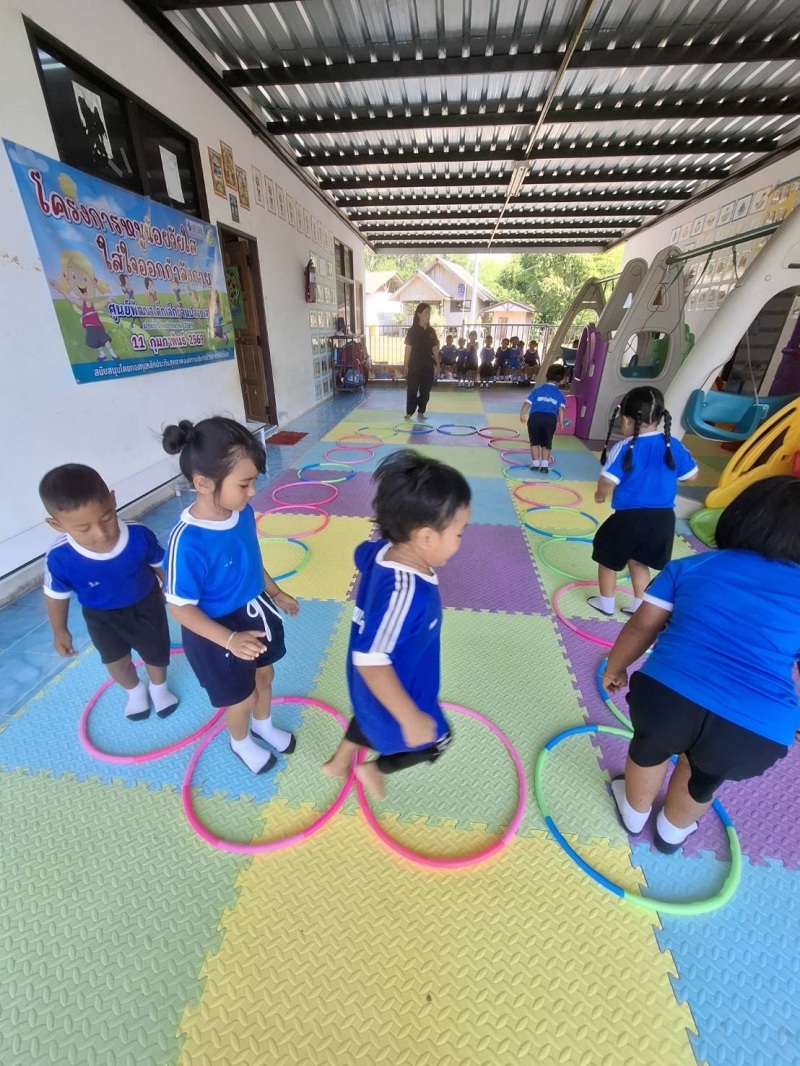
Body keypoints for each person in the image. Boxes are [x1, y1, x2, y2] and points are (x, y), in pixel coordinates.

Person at [602, 476, 800, 854]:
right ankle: (672, 832)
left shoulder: (691, 566)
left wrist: (615, 667)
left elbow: (642, 625)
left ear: (740, 517)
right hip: (756, 729)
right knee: (706, 773)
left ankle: (633, 812)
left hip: (666, 696)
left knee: (650, 747)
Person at [322, 451, 471, 799]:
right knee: (440, 738)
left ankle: (338, 762)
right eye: (459, 533)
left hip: (373, 688)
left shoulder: (382, 551)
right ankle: (373, 769)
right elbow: (372, 661)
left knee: (368, 714)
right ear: (425, 538)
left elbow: (361, 552)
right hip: (394, 691)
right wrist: (409, 717)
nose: (461, 541)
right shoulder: (407, 593)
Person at [162, 417, 300, 774]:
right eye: (244, 483)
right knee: (241, 697)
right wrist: (229, 639)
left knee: (264, 676)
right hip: (216, 631)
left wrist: (275, 591)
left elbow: (251, 560)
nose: (252, 492)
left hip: (255, 611)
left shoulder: (242, 513)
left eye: (253, 481)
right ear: (204, 483)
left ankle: (263, 726)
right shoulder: (186, 540)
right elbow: (180, 608)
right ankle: (240, 742)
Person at [40, 464, 177, 721]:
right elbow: (55, 594)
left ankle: (159, 689)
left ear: (113, 500)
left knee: (156, 653)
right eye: (84, 529)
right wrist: (60, 630)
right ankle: (135, 692)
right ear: (56, 524)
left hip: (146, 604)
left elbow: (162, 565)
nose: (101, 533)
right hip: (101, 616)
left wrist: (171, 592)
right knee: (115, 661)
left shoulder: (139, 535)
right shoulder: (59, 557)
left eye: (106, 518)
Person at [590, 387, 698, 618]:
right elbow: (691, 476)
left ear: (625, 420)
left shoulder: (625, 446)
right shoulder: (673, 445)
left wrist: (600, 494)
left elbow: (607, 480)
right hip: (663, 521)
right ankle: (639, 606)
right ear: (660, 418)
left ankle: (606, 603)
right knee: (640, 563)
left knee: (607, 560)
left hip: (629, 519)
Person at [520, 365, 567, 473]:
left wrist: (522, 413)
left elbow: (528, 403)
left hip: (535, 417)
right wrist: (562, 422)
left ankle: (536, 464)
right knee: (547, 442)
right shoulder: (560, 394)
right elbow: (561, 409)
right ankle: (545, 466)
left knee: (534, 442)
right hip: (550, 419)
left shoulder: (537, 389)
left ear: (547, 376)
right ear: (561, 380)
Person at [403, 303, 440, 420]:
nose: (428, 315)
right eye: (426, 313)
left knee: (426, 390)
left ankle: (421, 411)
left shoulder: (431, 331)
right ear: (419, 314)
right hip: (414, 364)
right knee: (412, 389)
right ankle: (410, 412)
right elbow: (408, 349)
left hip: (427, 364)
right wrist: (405, 365)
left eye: (429, 313)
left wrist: (438, 364)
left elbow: (435, 349)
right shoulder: (412, 331)